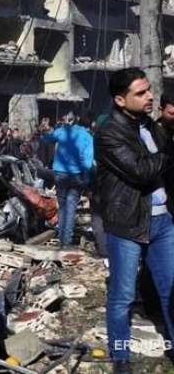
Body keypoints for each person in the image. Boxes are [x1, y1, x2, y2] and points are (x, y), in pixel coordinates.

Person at [95, 68, 174, 373]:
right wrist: (170, 151)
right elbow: (141, 171)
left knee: (170, 290)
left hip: (163, 222)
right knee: (123, 297)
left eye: (149, 90)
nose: (150, 96)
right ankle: (120, 357)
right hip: (128, 224)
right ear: (120, 100)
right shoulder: (109, 133)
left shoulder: (151, 127)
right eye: (140, 93)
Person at [41, 111, 93, 246]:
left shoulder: (63, 130)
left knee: (62, 206)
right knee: (71, 207)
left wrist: (44, 130)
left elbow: (47, 139)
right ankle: (66, 240)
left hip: (60, 173)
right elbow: (88, 162)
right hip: (77, 175)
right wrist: (86, 178)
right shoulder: (88, 137)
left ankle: (61, 236)